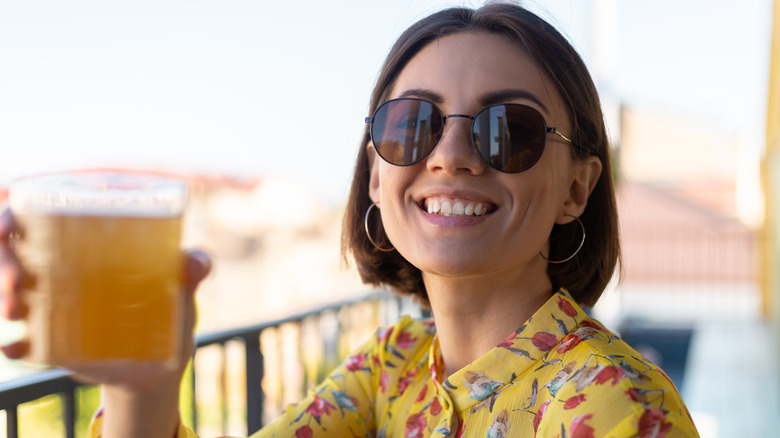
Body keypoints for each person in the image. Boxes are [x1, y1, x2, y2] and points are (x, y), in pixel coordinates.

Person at [0, 2, 700, 437]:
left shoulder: (616, 407)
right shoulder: (394, 367)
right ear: (374, 172)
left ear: (577, 188)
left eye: (507, 129)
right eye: (412, 125)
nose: (451, 156)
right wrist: (142, 385)